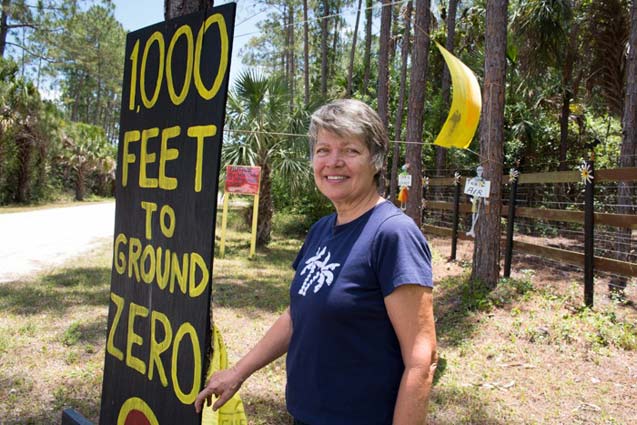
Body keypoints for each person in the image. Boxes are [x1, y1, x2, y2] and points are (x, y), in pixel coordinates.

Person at [194, 99, 437, 425]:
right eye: (323, 150)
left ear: (376, 159)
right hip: (305, 414)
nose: (333, 162)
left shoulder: (393, 234)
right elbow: (298, 314)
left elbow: (422, 360)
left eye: (350, 151)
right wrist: (238, 373)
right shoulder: (322, 229)